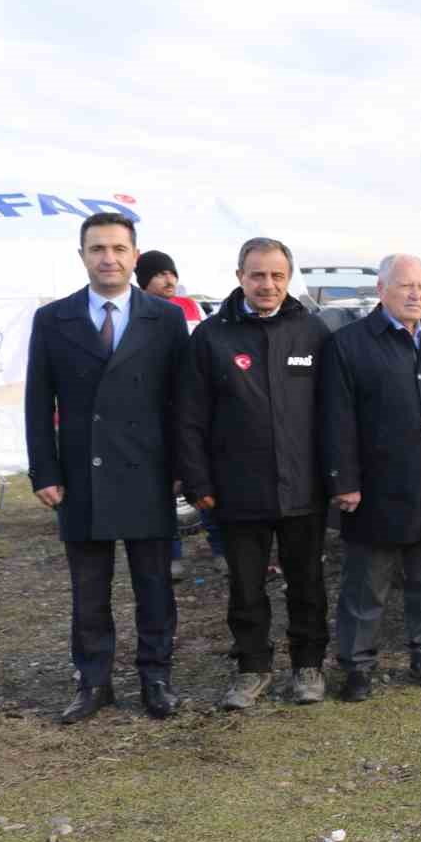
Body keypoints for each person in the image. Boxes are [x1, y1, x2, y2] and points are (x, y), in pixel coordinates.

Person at [24, 212, 189, 723]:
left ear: (134, 256)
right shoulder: (53, 320)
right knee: (89, 591)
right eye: (97, 249)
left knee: (154, 586)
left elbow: (181, 400)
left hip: (148, 472)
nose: (108, 258)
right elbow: (37, 401)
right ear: (82, 257)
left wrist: (184, 468)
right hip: (80, 477)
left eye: (118, 248)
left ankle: (155, 678)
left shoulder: (164, 318)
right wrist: (44, 471)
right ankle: (93, 682)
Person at [176, 237, 332, 710]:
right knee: (245, 589)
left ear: (289, 278)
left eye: (277, 276)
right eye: (258, 275)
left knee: (307, 583)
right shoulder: (210, 337)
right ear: (240, 275)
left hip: (304, 489)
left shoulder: (314, 333)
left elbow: (335, 413)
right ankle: (252, 667)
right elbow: (189, 416)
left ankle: (309, 665)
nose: (267, 285)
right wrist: (199, 482)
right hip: (236, 491)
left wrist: (338, 475)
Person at [319, 254, 421, 701]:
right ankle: (356, 665)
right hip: (375, 488)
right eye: (405, 286)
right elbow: (337, 419)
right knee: (366, 584)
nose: (415, 294)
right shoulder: (349, 344)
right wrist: (343, 481)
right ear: (381, 289)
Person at [135, 249, 222, 579]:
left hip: (196, 406)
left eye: (171, 273)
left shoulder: (191, 307)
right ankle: (171, 557)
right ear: (143, 280)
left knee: (203, 480)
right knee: (164, 486)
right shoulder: (137, 311)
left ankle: (221, 551)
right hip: (158, 411)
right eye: (159, 274)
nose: (168, 279)